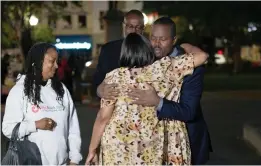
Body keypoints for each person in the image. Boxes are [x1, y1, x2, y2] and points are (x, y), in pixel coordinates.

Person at [97, 17, 212, 165]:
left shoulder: (192, 67)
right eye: (153, 38)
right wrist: (101, 89)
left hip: (183, 142)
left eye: (163, 39)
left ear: (174, 40)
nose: (156, 44)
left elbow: (188, 111)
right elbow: (117, 78)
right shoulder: (146, 59)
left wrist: (157, 102)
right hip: (147, 148)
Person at [2, 43, 82, 165]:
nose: (56, 66)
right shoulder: (19, 91)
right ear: (37, 62)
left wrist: (74, 159)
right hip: (30, 162)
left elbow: (73, 127)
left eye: (57, 61)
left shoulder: (61, 90)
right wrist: (36, 124)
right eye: (52, 61)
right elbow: (7, 128)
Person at [92, 9, 145, 97]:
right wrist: (100, 91)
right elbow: (97, 80)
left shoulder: (150, 51)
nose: (134, 31)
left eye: (138, 27)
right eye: (130, 26)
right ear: (124, 26)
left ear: (143, 29)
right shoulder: (108, 50)